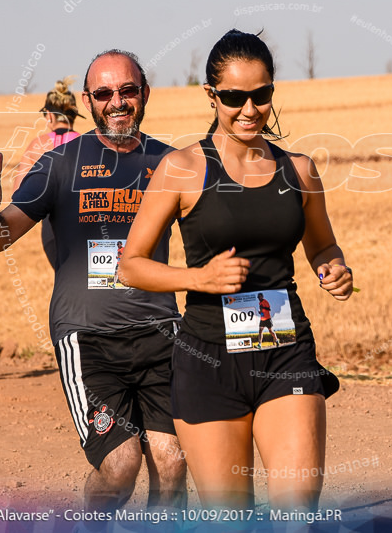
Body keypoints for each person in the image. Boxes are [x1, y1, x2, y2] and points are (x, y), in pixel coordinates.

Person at [119, 29, 354, 510]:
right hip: (208, 362)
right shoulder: (183, 169)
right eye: (233, 97)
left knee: (298, 513)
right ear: (211, 95)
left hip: (285, 352)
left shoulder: (300, 170)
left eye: (261, 95)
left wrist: (335, 267)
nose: (249, 109)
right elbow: (131, 266)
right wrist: (196, 278)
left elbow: (323, 244)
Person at [0, 49, 186, 510]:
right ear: (87, 100)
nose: (117, 102)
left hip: (160, 332)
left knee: (173, 460)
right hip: (88, 339)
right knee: (121, 465)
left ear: (144, 93)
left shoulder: (171, 164)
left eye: (127, 90)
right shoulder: (60, 163)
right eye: (104, 93)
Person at [11, 77, 82, 269]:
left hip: (53, 226)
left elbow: (18, 193)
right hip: (88, 222)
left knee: (64, 280)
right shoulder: (88, 143)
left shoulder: (37, 145)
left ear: (49, 116)